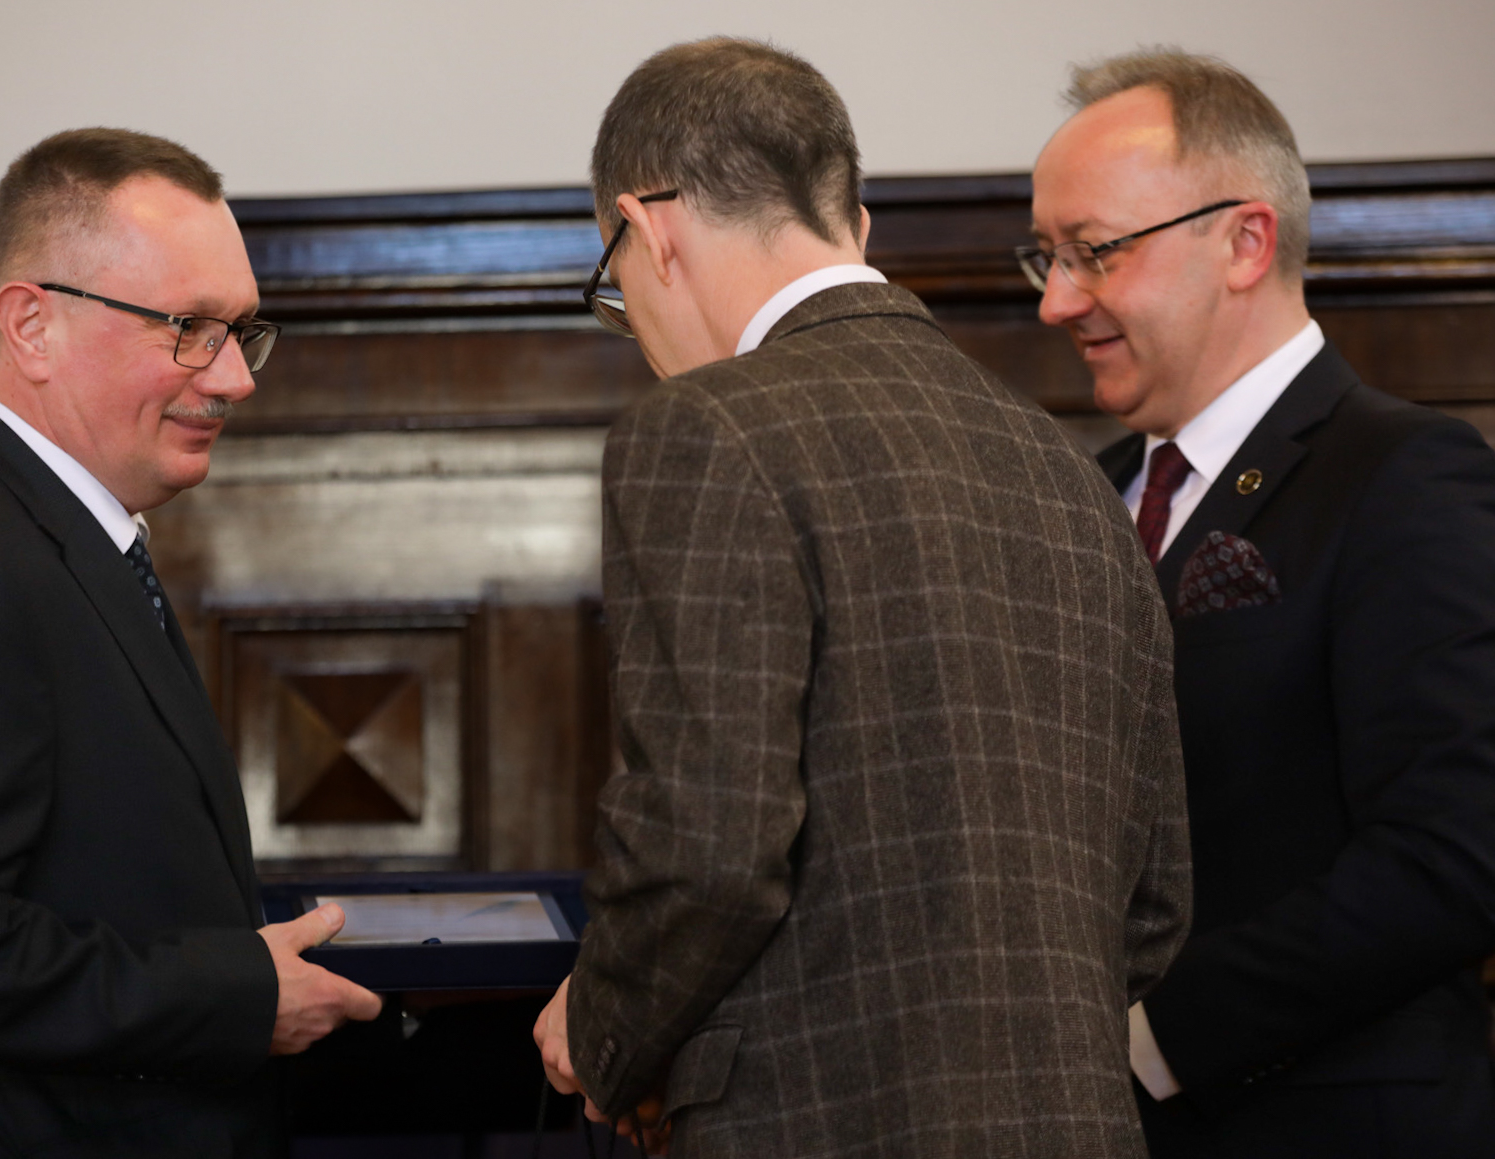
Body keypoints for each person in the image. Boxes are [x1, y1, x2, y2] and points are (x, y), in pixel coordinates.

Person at [533, 38, 1191, 1158]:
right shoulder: (1071, 471)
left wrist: (605, 1035)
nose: (634, 325)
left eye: (616, 288)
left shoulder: (705, 428)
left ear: (647, 228)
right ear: (855, 224)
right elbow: (1154, 902)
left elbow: (708, 852)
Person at [0, 128, 381, 1159]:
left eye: (242, 331)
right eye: (190, 328)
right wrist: (233, 994)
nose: (235, 377)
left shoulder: (36, 536)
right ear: (32, 325)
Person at [1028, 49, 1495, 1157]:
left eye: (1094, 252)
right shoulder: (1083, 499)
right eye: (1044, 256)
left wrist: (1151, 1040)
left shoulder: (1402, 475)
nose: (1056, 300)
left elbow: (1458, 850)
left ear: (1245, 241)